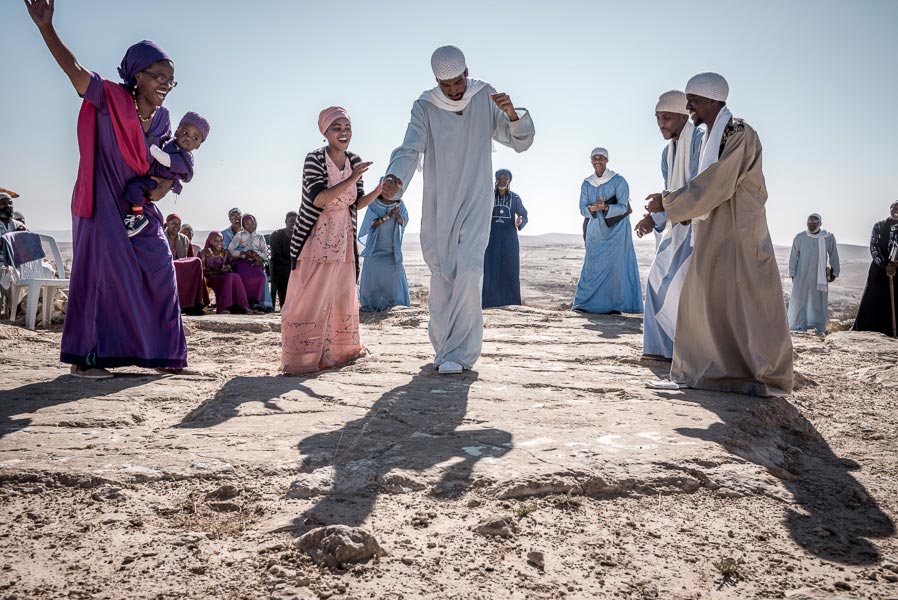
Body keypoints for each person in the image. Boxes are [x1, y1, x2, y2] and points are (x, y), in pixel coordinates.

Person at [26, 1, 187, 378]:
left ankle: (165, 354)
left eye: (171, 79)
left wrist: (165, 182)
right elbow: (76, 72)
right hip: (102, 202)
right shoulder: (109, 97)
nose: (166, 85)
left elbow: (159, 163)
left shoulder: (162, 118)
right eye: (159, 77)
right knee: (102, 278)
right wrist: (46, 28)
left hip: (138, 205)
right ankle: (88, 359)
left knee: (162, 270)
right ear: (137, 75)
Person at [379, 45, 535, 374]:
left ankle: (460, 353)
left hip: (477, 197)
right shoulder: (425, 105)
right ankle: (444, 345)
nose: (452, 91)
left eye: (457, 83)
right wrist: (395, 178)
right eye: (444, 85)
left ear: (467, 72)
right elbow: (410, 146)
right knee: (442, 271)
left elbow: (520, 142)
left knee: (469, 269)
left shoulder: (484, 95)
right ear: (436, 81)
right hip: (440, 198)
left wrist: (511, 115)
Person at [645, 72, 792, 396]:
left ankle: (763, 374)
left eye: (693, 101)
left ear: (712, 100)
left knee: (747, 301)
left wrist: (668, 203)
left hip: (739, 227)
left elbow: (718, 182)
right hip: (714, 226)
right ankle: (704, 373)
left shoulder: (737, 132)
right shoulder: (712, 133)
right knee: (705, 298)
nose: (689, 107)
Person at [281, 107, 381, 374]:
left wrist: (379, 191)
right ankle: (302, 357)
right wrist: (352, 177)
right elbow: (319, 198)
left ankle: (339, 352)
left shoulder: (353, 159)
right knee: (310, 297)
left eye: (347, 127)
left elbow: (356, 203)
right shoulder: (314, 159)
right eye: (336, 128)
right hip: (315, 239)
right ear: (324, 132)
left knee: (340, 297)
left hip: (344, 241)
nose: (343, 132)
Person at [635, 90, 704, 360]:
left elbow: (701, 187)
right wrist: (653, 218)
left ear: (682, 115)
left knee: (681, 288)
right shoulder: (667, 153)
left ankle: (685, 351)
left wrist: (664, 204)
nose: (661, 124)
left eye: (666, 118)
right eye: (657, 118)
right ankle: (661, 349)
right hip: (677, 227)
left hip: (700, 227)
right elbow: (670, 190)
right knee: (657, 280)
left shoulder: (700, 140)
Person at [573, 147, 642, 315]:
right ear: (591, 161)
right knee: (592, 265)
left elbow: (623, 206)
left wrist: (605, 207)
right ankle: (585, 303)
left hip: (616, 230)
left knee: (615, 267)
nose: (598, 160)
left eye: (601, 157)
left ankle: (614, 306)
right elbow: (582, 208)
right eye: (595, 157)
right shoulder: (586, 183)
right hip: (595, 229)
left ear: (607, 160)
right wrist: (593, 208)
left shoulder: (618, 180)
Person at [122, 112, 209, 237]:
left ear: (198, 146)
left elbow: (166, 160)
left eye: (195, 138)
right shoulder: (169, 143)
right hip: (152, 176)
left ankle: (138, 217)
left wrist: (150, 147)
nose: (188, 139)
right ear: (177, 131)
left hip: (157, 180)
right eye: (185, 133)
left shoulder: (185, 158)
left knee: (135, 187)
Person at [482, 168, 528, 308]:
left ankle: (511, 302)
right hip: (491, 239)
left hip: (509, 239)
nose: (502, 181)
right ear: (496, 180)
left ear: (509, 181)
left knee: (510, 269)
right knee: (490, 269)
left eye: (505, 179)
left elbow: (524, 214)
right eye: (500, 178)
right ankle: (489, 302)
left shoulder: (515, 198)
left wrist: (520, 221)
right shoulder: (488, 196)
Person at [357, 190, 410, 312]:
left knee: (396, 274)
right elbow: (370, 224)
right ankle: (372, 304)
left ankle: (396, 304)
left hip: (391, 251)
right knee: (372, 272)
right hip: (375, 250)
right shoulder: (373, 204)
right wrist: (388, 216)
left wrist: (397, 216)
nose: (390, 189)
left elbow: (404, 222)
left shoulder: (400, 205)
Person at [788, 213, 840, 335]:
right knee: (799, 300)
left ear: (820, 223)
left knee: (818, 302)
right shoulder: (800, 237)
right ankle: (796, 326)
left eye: (815, 222)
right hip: (802, 275)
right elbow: (793, 256)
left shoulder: (828, 237)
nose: (812, 224)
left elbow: (833, 254)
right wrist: (792, 273)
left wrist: (834, 271)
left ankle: (818, 327)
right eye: (810, 222)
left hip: (819, 276)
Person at [852, 201, 898, 337]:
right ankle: (867, 330)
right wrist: (885, 265)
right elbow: (874, 247)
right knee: (873, 298)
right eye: (893, 208)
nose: (896, 210)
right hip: (879, 269)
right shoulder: (879, 226)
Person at [164, 213, 207, 315]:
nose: (177, 226)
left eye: (179, 224)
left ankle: (192, 304)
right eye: (173, 223)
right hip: (166, 269)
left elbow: (190, 258)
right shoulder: (161, 237)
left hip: (182, 270)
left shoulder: (184, 239)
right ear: (167, 224)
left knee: (197, 261)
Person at [200, 231, 250, 314]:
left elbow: (230, 264)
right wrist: (219, 271)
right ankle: (223, 307)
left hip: (224, 276)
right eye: (216, 240)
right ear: (210, 241)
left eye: (221, 240)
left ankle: (242, 306)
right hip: (211, 278)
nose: (219, 243)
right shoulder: (204, 253)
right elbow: (203, 271)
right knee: (229, 277)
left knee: (235, 276)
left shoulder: (225, 252)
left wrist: (228, 267)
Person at [228, 213, 271, 311]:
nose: (250, 225)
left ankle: (255, 303)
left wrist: (257, 256)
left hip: (255, 262)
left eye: (252, 223)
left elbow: (265, 253)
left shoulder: (260, 237)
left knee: (260, 277)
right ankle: (244, 302)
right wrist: (244, 253)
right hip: (242, 261)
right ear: (243, 225)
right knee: (243, 276)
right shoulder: (239, 235)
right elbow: (231, 250)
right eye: (247, 223)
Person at [268, 211, 297, 310]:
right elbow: (276, 256)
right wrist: (292, 265)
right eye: (291, 221)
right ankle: (284, 306)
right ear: (286, 222)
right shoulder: (276, 235)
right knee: (286, 273)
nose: (293, 224)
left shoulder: (300, 237)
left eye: (296, 221)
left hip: (295, 266)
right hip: (280, 267)